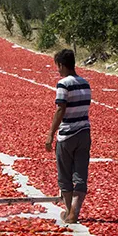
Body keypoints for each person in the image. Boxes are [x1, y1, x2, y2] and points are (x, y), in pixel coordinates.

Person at [46, 49, 91, 224]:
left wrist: (50, 133)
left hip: (67, 135)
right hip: (84, 133)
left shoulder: (63, 84)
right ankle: (74, 212)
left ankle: (69, 212)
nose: (57, 70)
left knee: (65, 176)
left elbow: (60, 109)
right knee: (80, 174)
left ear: (62, 65)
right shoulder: (85, 83)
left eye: (57, 66)